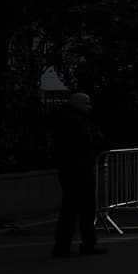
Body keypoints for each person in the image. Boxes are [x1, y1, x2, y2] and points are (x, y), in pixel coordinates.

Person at [52, 92, 106, 258]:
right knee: (78, 208)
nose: (89, 106)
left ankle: (71, 245)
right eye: (86, 103)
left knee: (77, 208)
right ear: (77, 103)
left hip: (74, 168)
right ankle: (76, 245)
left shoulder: (70, 119)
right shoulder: (75, 121)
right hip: (77, 168)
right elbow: (92, 139)